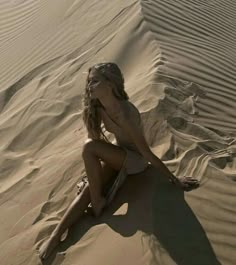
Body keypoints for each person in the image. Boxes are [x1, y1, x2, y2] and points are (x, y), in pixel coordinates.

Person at [38, 62, 199, 260]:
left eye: (95, 81)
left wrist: (175, 180)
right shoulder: (98, 109)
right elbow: (97, 144)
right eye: (89, 81)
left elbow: (146, 154)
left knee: (88, 148)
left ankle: (97, 202)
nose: (89, 86)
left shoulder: (126, 114)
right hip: (118, 155)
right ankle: (55, 238)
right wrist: (95, 174)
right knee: (90, 187)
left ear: (110, 85)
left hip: (135, 162)